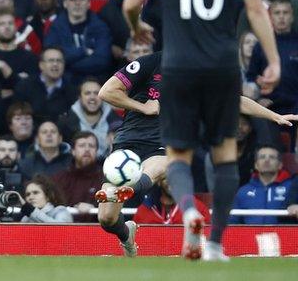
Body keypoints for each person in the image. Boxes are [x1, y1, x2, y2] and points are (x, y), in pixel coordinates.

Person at [123, 0, 282, 261]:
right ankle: (214, 244)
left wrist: (134, 25)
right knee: (224, 156)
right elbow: (255, 9)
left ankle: (188, 211)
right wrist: (274, 59)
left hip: (178, 66)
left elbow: (131, 3)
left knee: (178, 155)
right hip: (222, 67)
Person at [95, 50, 293, 259]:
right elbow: (106, 92)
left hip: (166, 143)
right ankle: (126, 235)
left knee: (152, 171)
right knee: (107, 218)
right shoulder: (150, 63)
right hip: (127, 143)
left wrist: (275, 116)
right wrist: (143, 107)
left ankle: (123, 190)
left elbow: (236, 101)